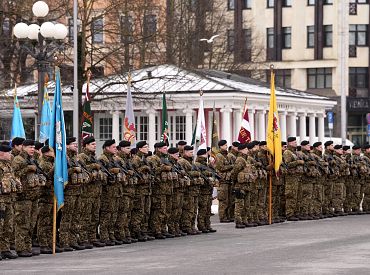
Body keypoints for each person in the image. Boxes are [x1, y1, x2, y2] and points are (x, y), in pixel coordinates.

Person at [12, 139, 43, 257]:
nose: (32, 149)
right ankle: (20, 248)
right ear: (23, 147)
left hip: (34, 196)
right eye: (29, 147)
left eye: (33, 147)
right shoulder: (18, 159)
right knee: (22, 223)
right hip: (23, 197)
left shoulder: (32, 159)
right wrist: (27, 169)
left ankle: (28, 247)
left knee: (31, 223)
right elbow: (13, 175)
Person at [59, 137, 86, 251]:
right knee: (67, 217)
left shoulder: (76, 158)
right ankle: (64, 241)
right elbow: (61, 174)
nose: (75, 145)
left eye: (76, 144)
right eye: (73, 144)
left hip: (78, 191)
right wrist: (72, 170)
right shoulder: (63, 158)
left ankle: (73, 240)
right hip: (69, 192)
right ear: (67, 146)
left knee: (76, 217)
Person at [78, 136, 106, 248]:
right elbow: (83, 170)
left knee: (94, 217)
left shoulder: (94, 157)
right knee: (85, 217)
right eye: (92, 144)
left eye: (95, 144)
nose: (95, 146)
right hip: (87, 193)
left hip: (96, 192)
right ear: (86, 145)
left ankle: (92, 237)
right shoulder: (81, 157)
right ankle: (83, 238)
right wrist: (93, 167)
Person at [98, 139, 124, 246]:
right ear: (107, 148)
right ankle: (104, 236)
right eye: (113, 147)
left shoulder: (115, 159)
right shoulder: (102, 159)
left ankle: (111, 234)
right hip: (107, 192)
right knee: (106, 214)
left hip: (116, 191)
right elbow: (102, 176)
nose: (115, 149)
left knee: (114, 215)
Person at [0, 143, 20, 260]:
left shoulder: (8, 165)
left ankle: (5, 249)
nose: (10, 154)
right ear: (1, 153)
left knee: (8, 226)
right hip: (1, 200)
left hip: (9, 200)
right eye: (8, 152)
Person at [194, 149, 216, 233]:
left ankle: (207, 225)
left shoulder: (206, 165)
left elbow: (213, 173)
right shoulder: (197, 165)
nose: (207, 156)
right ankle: (201, 225)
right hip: (203, 190)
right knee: (203, 209)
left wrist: (211, 165)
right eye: (205, 154)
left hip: (208, 190)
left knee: (207, 209)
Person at [283, 137, 304, 221]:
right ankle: (289, 214)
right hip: (291, 178)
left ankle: (295, 213)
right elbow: (287, 164)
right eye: (294, 142)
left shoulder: (294, 152)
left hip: (297, 178)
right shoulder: (287, 152)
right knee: (291, 196)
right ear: (290, 143)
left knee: (297, 196)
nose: (296, 143)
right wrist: (297, 162)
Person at [215, 140, 234, 223]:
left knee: (229, 199)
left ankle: (228, 216)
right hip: (223, 180)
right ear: (221, 146)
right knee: (224, 200)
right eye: (225, 145)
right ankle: (222, 217)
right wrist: (232, 166)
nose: (226, 146)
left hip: (228, 180)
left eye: (226, 145)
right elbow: (221, 168)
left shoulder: (227, 155)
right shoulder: (219, 156)